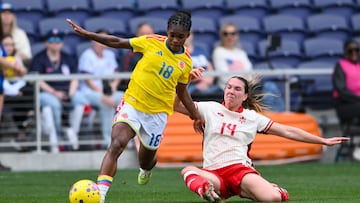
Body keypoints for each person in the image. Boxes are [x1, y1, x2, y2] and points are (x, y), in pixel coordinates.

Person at [67, 9, 204, 203]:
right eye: (172, 35)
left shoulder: (186, 62)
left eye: (180, 37)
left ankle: (145, 169)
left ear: (187, 36)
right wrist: (88, 34)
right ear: (167, 31)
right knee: (117, 144)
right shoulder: (151, 41)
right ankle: (100, 196)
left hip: (157, 114)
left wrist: (195, 115)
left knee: (146, 160)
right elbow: (117, 42)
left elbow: (182, 92)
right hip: (132, 103)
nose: (174, 40)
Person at [173, 75, 350, 202]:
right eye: (228, 87)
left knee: (272, 198)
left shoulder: (252, 118)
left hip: (239, 171)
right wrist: (185, 82)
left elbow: (287, 131)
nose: (231, 91)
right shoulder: (209, 108)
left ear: (245, 96)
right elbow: (174, 105)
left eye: (237, 89)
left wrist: (322, 140)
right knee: (188, 170)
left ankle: (274, 190)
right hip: (214, 174)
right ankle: (207, 191)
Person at [29, 28, 86, 153]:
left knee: (80, 100)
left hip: (67, 91)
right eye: (51, 40)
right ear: (46, 43)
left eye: (58, 40)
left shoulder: (68, 58)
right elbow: (38, 80)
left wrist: (69, 94)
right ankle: (60, 134)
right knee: (52, 104)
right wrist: (55, 94)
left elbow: (75, 78)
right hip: (47, 93)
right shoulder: (39, 58)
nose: (55, 43)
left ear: (62, 43)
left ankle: (72, 133)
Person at [212, 23, 285, 112]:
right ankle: (268, 115)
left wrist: (245, 79)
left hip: (247, 85)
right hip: (231, 87)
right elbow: (224, 75)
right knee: (267, 89)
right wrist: (243, 79)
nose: (229, 36)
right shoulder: (219, 52)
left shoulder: (241, 53)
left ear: (237, 35)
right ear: (222, 36)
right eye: (226, 33)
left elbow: (250, 71)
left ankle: (279, 115)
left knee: (270, 87)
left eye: (233, 33)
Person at [78, 28, 124, 147]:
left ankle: (127, 138)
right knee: (106, 102)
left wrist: (113, 86)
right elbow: (89, 81)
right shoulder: (87, 55)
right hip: (90, 93)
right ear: (94, 41)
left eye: (104, 40)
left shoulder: (110, 55)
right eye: (99, 40)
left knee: (126, 98)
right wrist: (104, 95)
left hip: (108, 91)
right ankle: (108, 142)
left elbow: (117, 75)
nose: (102, 43)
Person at [332, 39, 360, 160]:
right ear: (345, 52)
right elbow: (341, 90)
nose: (354, 53)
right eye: (350, 50)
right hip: (346, 105)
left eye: (357, 50)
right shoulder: (340, 66)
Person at [2, 34, 31, 144]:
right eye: (6, 45)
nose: (9, 47)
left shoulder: (16, 58)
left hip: (16, 92)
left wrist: (20, 70)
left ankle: (22, 132)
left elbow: (23, 77)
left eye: (11, 45)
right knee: (18, 99)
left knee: (27, 92)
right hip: (5, 92)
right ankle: (22, 129)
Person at [184, 31, 222, 96]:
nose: (186, 37)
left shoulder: (201, 50)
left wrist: (207, 82)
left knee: (221, 91)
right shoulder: (178, 53)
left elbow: (210, 67)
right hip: (189, 86)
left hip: (207, 84)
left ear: (192, 35)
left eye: (188, 34)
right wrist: (196, 79)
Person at [119, 22, 155, 91]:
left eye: (148, 35)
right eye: (142, 34)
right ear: (137, 36)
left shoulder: (159, 54)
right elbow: (126, 78)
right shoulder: (129, 56)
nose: (145, 38)